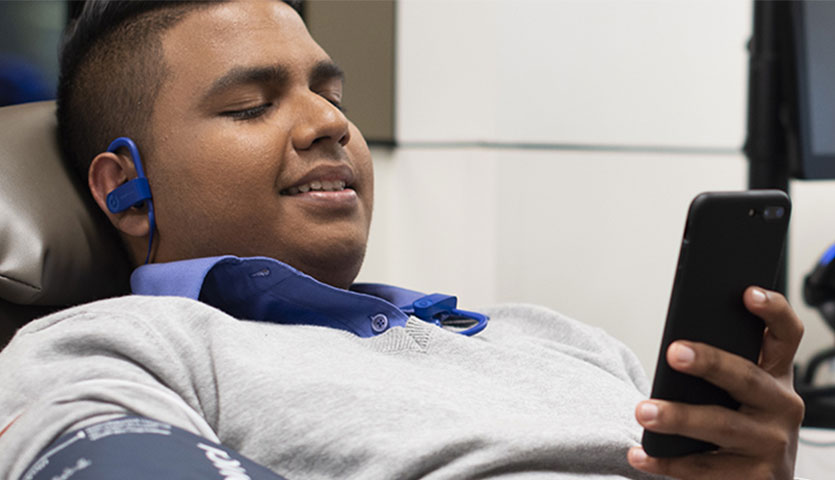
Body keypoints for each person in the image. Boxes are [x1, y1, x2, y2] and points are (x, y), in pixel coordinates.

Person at [0, 1, 805, 479]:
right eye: (250, 105)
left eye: (329, 93)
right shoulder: (109, 350)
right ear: (125, 190)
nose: (328, 123)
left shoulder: (556, 338)